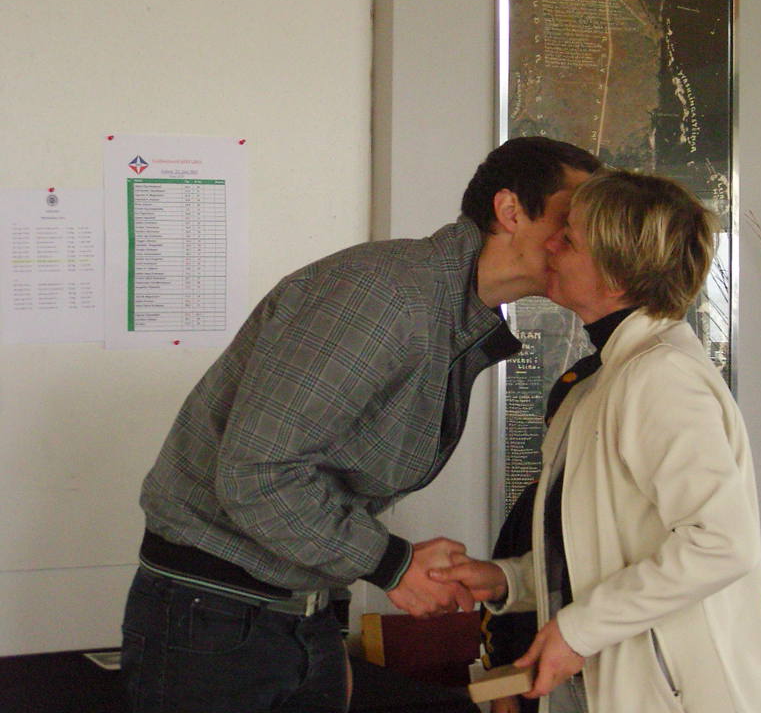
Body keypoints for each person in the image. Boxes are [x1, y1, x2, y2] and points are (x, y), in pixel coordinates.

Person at [119, 136, 601, 713]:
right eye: (573, 217)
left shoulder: (448, 311)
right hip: (216, 620)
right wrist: (392, 563)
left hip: (291, 612)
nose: (589, 237)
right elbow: (257, 472)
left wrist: (329, 617)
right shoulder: (388, 295)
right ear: (510, 210)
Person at [431, 170, 761, 713]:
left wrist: (579, 630)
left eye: (569, 239)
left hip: (675, 694)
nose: (550, 245)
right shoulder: (602, 379)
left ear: (617, 276)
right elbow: (598, 551)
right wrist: (506, 580)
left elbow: (719, 543)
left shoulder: (661, 376)